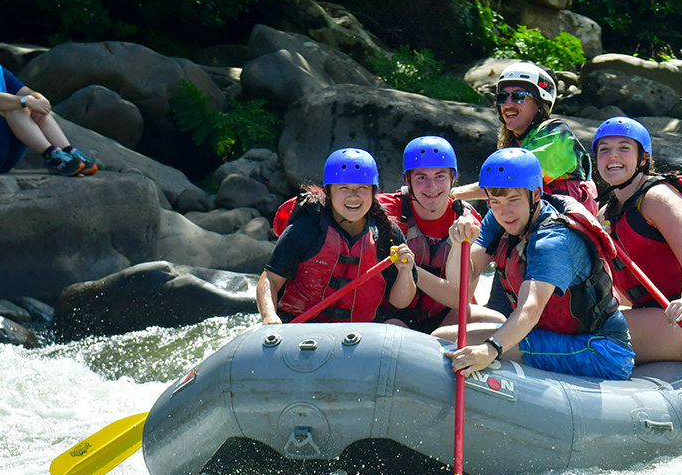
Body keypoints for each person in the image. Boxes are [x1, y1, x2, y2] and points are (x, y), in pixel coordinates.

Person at [435, 147, 634, 381]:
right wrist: (459, 245)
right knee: (442, 337)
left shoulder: (553, 242)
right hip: (549, 335)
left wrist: (489, 350)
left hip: (601, 352)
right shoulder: (500, 218)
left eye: (513, 200)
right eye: (495, 201)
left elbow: (529, 309)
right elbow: (459, 281)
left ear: (536, 195)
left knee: (455, 344)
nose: (504, 211)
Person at [595, 117, 682, 362]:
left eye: (624, 148)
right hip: (649, 314)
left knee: (592, 332)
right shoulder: (606, 214)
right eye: (604, 150)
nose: (613, 156)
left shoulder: (657, 199)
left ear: (643, 158)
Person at [256, 147, 416, 325]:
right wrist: (269, 316)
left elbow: (400, 302)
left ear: (373, 192)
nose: (353, 196)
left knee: (397, 325)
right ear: (329, 192)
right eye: (343, 188)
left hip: (358, 333)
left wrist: (405, 272)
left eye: (362, 188)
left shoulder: (388, 233)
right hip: (300, 329)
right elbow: (270, 279)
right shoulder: (305, 228)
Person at [376, 135, 506, 333]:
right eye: (421, 178)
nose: (432, 187)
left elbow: (459, 298)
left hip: (441, 317)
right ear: (407, 180)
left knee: (499, 322)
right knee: (394, 330)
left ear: (453, 178)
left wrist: (412, 269)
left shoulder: (468, 220)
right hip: (387, 314)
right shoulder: (382, 211)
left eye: (440, 176)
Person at [451, 61, 598, 214]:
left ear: (540, 104)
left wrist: (452, 194)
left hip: (564, 229)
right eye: (502, 97)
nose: (508, 104)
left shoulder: (558, 135)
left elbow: (511, 180)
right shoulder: (513, 145)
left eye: (518, 96)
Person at [0, 23, 97, 176]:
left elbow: (29, 92)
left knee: (28, 102)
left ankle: (68, 151)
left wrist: (41, 101)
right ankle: (51, 156)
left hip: (5, 157)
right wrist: (27, 101)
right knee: (15, 105)